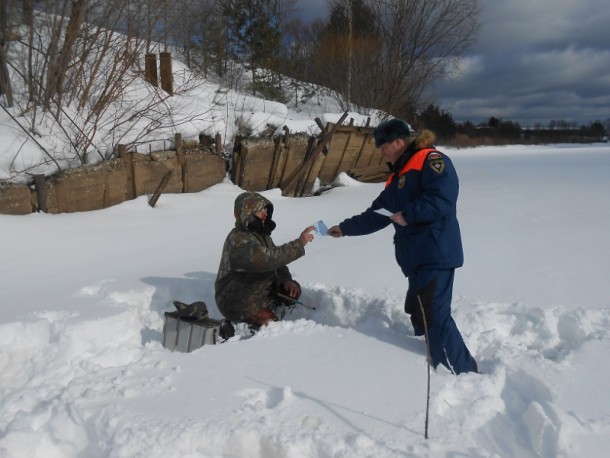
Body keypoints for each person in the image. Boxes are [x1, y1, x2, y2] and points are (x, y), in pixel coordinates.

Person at [327, 119, 477, 374]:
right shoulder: (397, 177)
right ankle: (437, 358)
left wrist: (409, 214)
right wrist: (345, 228)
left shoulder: (430, 160)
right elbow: (377, 214)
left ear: (398, 142)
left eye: (382, 145)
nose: (380, 151)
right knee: (420, 310)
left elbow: (443, 198)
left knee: (434, 313)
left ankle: (460, 371)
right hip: (416, 257)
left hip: (435, 250)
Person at [215, 191, 314, 329]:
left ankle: (271, 303)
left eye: (266, 209)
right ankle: (234, 330)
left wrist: (286, 280)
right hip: (236, 300)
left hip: (259, 293)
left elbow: (277, 262)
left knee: (292, 293)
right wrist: (299, 244)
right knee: (272, 328)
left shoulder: (261, 235)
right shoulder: (238, 239)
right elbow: (266, 259)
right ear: (247, 213)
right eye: (260, 210)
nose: (265, 213)